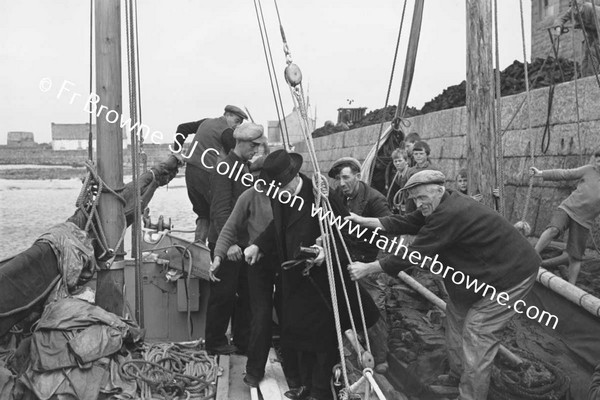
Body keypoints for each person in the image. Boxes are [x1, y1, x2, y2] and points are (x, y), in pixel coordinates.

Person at [346, 170, 541, 400]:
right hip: (484, 273)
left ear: (439, 190)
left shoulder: (450, 213)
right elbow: (406, 221)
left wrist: (368, 268)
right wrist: (363, 220)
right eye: (415, 199)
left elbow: (412, 255)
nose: (418, 204)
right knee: (456, 314)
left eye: (422, 198)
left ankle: (470, 395)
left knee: (477, 330)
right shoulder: (439, 203)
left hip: (512, 275)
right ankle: (458, 375)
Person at [244, 150, 379, 400]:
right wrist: (259, 245)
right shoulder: (280, 194)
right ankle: (304, 385)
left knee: (322, 339)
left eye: (281, 187)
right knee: (296, 335)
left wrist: (325, 251)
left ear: (294, 178)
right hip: (294, 279)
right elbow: (278, 226)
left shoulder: (321, 197)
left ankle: (320, 391)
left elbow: (345, 233)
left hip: (321, 282)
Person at [210, 156, 283, 386]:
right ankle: (254, 370)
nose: (257, 181)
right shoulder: (249, 196)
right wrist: (218, 256)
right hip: (257, 260)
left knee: (288, 311)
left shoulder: (288, 197)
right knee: (260, 314)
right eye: (253, 177)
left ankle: (294, 363)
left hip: (284, 261)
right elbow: (230, 226)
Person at [204, 122, 266, 355]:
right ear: (241, 143)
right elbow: (219, 210)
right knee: (223, 295)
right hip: (227, 243)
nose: (256, 150)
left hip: (243, 242)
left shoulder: (243, 167)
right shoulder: (224, 168)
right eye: (253, 145)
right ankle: (215, 343)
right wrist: (227, 244)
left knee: (245, 294)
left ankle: (243, 340)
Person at [328, 157, 392, 373]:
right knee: (349, 303)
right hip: (348, 258)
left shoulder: (375, 200)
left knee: (375, 308)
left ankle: (381, 357)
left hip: (370, 261)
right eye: (338, 179)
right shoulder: (338, 196)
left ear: (358, 176)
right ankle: (354, 349)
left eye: (346, 177)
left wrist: (376, 267)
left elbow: (389, 233)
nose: (342, 182)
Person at [175, 105, 248, 244]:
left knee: (203, 214)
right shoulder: (227, 132)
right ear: (227, 115)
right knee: (219, 210)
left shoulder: (206, 122)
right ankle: (221, 249)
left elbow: (182, 128)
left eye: (240, 123)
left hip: (191, 173)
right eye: (237, 121)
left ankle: (198, 249)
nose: (237, 126)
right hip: (207, 175)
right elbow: (236, 158)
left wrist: (177, 151)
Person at [530, 151, 600, 284]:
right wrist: (541, 173)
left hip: (584, 221)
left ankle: (571, 287)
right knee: (553, 230)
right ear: (595, 161)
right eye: (598, 160)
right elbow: (566, 174)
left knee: (575, 256)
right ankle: (531, 257)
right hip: (567, 208)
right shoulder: (588, 170)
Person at [553, 1, 600, 78]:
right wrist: (558, 27)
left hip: (598, 31)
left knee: (594, 52)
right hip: (591, 33)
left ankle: (591, 78)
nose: (574, 10)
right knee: (585, 55)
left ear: (582, 5)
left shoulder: (591, 9)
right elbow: (561, 19)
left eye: (576, 6)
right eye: (573, 7)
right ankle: (584, 79)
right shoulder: (572, 10)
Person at [405, 140, 438, 213]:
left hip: (428, 202)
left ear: (427, 154)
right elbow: (408, 189)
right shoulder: (410, 171)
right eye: (416, 154)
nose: (418, 156)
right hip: (413, 202)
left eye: (421, 153)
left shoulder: (433, 170)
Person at [385, 148, 410, 214]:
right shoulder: (397, 175)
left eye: (400, 161)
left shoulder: (410, 173)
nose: (397, 163)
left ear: (406, 161)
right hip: (402, 206)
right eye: (395, 161)